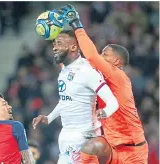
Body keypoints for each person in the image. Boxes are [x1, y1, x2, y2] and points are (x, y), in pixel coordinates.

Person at [57, 4, 148, 164]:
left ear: (117, 61)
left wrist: (77, 25)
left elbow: (91, 56)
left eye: (105, 53)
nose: (100, 56)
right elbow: (78, 64)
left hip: (134, 152)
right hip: (113, 148)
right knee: (92, 146)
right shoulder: (99, 78)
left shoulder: (118, 75)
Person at [32, 30, 119, 164]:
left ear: (73, 47)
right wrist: (49, 117)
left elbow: (113, 102)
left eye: (59, 43)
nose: (54, 47)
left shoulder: (87, 72)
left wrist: (104, 112)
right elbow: (65, 100)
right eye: (54, 44)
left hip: (84, 140)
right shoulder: (64, 72)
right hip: (67, 138)